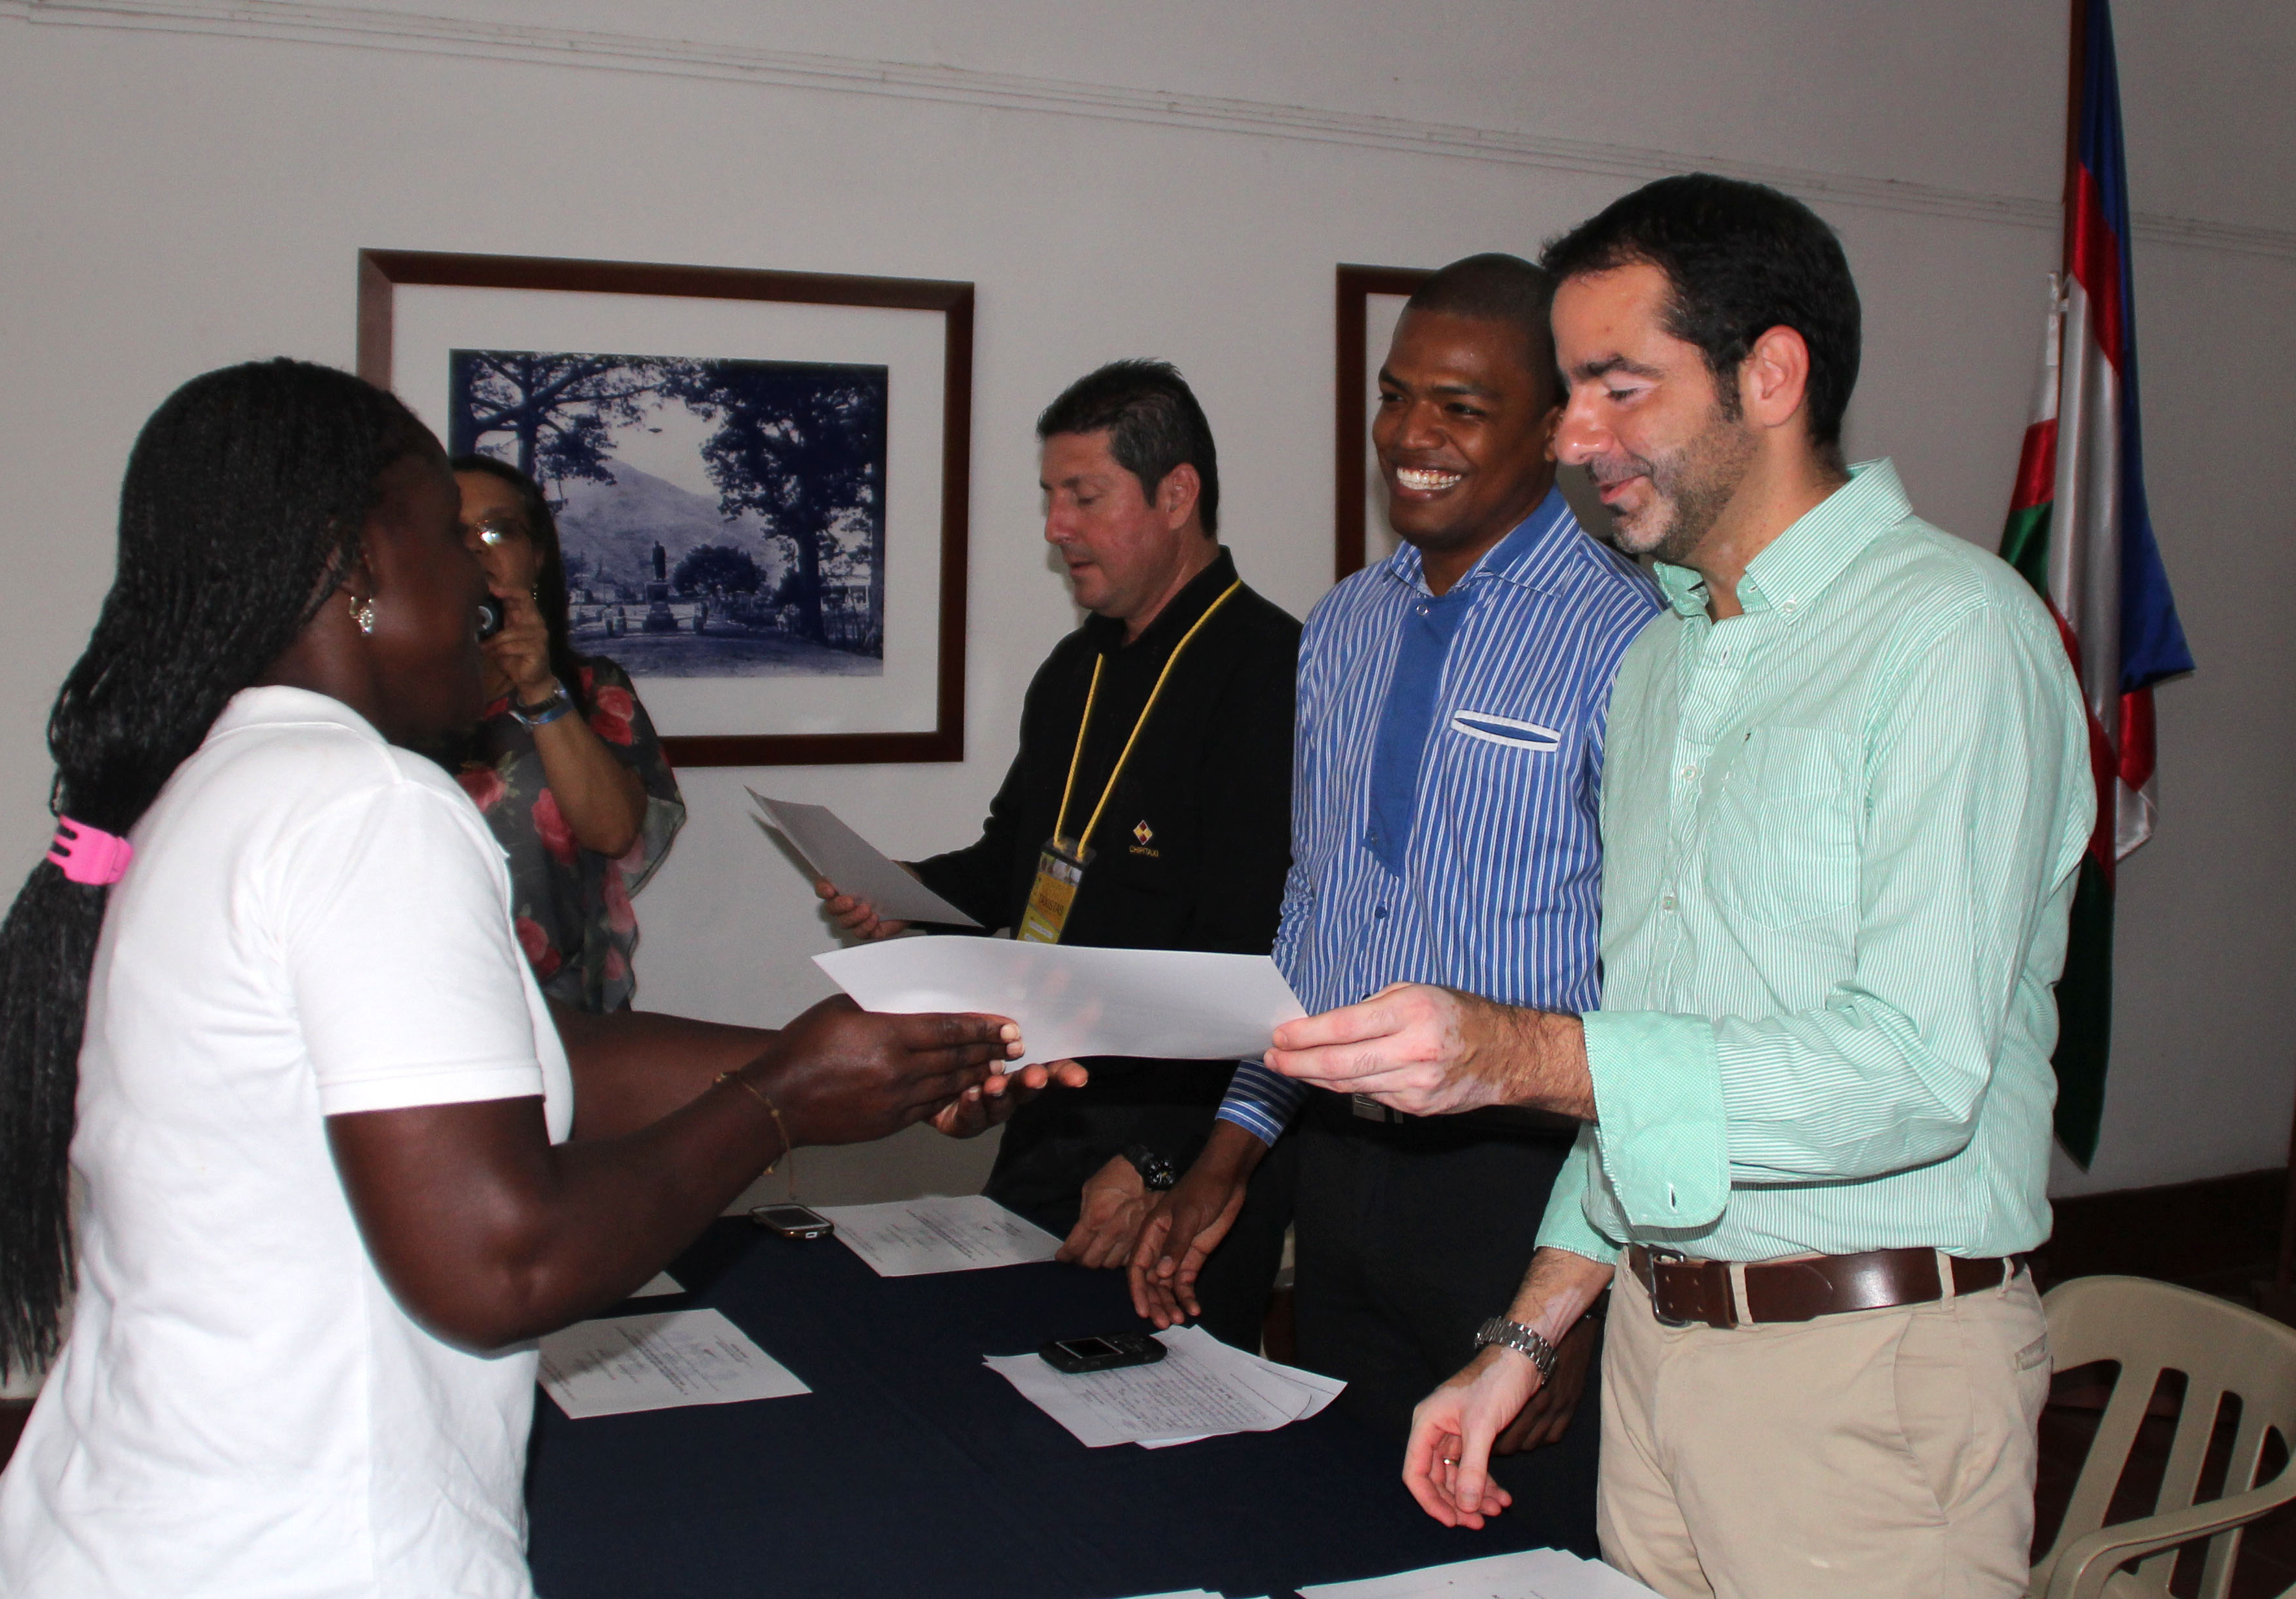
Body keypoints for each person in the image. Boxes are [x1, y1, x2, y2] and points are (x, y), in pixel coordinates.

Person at [0, 359, 1020, 1598]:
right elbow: (501, 1267)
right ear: (357, 565)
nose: (490, 588)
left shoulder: (227, 782)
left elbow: (510, 1058)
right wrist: (782, 1103)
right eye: (453, 538)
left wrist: (868, 1059)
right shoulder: (367, 806)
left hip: (111, 1539)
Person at [1265, 176, 2093, 1598]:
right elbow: (1654, 1073)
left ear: (1770, 376)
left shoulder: (1952, 636)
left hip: (1865, 1382)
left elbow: (1914, 1073)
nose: (1575, 437)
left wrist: (1525, 1052)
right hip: (1655, 1358)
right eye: (1572, 392)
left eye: (1619, 387)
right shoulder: (1660, 661)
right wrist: (1524, 1339)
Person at [1120, 256, 1660, 1550]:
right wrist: (1228, 1158)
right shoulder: (1342, 628)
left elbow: (1659, 993)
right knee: (1349, 1532)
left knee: (1526, 1555)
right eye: (1396, 395)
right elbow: (1313, 923)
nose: (1413, 434)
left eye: (1462, 407)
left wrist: (1578, 1305)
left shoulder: (1632, 638)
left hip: (1526, 1194)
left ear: (1555, 427)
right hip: (1345, 1180)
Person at [818, 359, 1300, 1350]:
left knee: (1167, 1415)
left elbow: (1260, 960)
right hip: (1051, 1114)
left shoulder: (1268, 672)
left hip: (1183, 1152)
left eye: (1083, 496)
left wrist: (1156, 1159)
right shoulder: (1074, 668)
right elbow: (1016, 864)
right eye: (1050, 497)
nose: (1055, 527)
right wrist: (902, 893)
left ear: (1176, 495)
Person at [449, 454, 683, 1013]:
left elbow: (614, 832)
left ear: (537, 556)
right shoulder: (374, 694)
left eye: (497, 530)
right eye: (452, 534)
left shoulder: (591, 688)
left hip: (561, 1012)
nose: (476, 549)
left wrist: (539, 690)